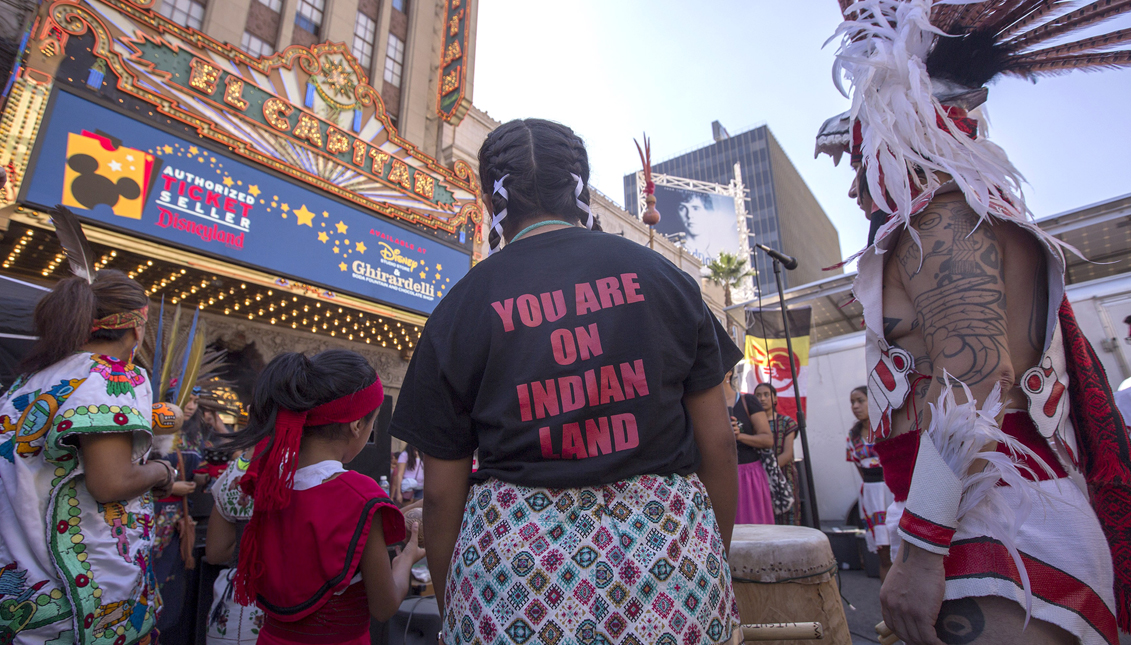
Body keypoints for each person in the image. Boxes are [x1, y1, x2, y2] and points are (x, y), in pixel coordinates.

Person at [815, 2, 1131, 643]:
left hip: (1000, 529)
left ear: (898, 134)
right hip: (988, 519)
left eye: (857, 159)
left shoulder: (944, 219)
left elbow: (976, 386)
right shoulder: (950, 218)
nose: (854, 189)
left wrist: (921, 550)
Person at [390, 118, 743, 644]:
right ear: (579, 189)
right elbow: (718, 442)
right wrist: (704, 555)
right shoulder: (665, 278)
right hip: (669, 571)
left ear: (493, 200)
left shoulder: (459, 308)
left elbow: (442, 495)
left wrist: (456, 603)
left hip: (514, 583)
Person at [0, 269, 175, 644]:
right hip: (80, 605)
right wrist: (162, 470)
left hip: (19, 595)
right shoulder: (111, 376)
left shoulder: (30, 380)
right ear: (136, 327)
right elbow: (110, 483)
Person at [227, 349, 423, 645]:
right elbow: (384, 607)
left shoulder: (270, 483)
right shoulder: (360, 497)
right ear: (357, 425)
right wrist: (405, 560)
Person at [204, 450, 263, 644]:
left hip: (237, 612)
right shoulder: (317, 472)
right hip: (290, 610)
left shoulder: (239, 469)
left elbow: (216, 552)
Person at [844, 386, 893, 580]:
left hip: (892, 491)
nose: (855, 406)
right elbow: (860, 469)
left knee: (902, 548)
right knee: (884, 553)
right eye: (852, 402)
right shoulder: (853, 436)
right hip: (872, 496)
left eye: (860, 401)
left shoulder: (887, 428)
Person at [724, 372, 776, 524]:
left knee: (754, 526)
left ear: (729, 373)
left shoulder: (748, 401)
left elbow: (767, 439)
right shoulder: (707, 407)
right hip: (721, 475)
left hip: (748, 475)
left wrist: (739, 436)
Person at [754, 383, 800, 526]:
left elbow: (787, 454)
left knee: (789, 520)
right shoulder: (752, 425)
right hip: (760, 480)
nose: (762, 398)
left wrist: (767, 471)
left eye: (766, 394)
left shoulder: (787, 422)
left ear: (774, 399)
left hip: (784, 477)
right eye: (758, 395)